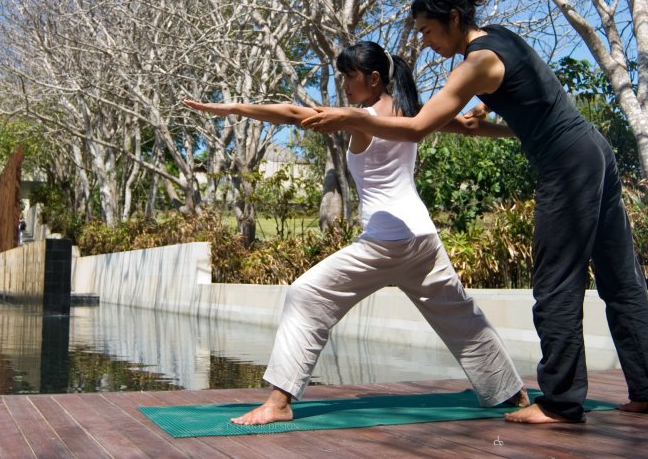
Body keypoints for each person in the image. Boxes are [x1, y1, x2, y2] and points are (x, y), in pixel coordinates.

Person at [301, 0, 648, 424]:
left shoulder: (476, 63)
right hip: (593, 150)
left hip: (567, 164)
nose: (426, 41)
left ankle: (559, 403)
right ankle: (647, 385)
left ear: (453, 18)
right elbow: (530, 105)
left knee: (555, 281)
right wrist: (487, 115)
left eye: (428, 31)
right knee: (619, 275)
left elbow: (419, 127)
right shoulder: (501, 39)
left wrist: (348, 116)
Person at [184, 40, 527, 426]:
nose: (345, 84)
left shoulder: (357, 117)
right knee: (458, 313)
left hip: (387, 241)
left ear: (374, 78)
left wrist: (230, 108)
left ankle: (279, 402)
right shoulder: (411, 112)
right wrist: (522, 133)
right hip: (423, 238)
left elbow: (291, 113)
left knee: (306, 295)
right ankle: (510, 391)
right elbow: (467, 125)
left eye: (350, 76)